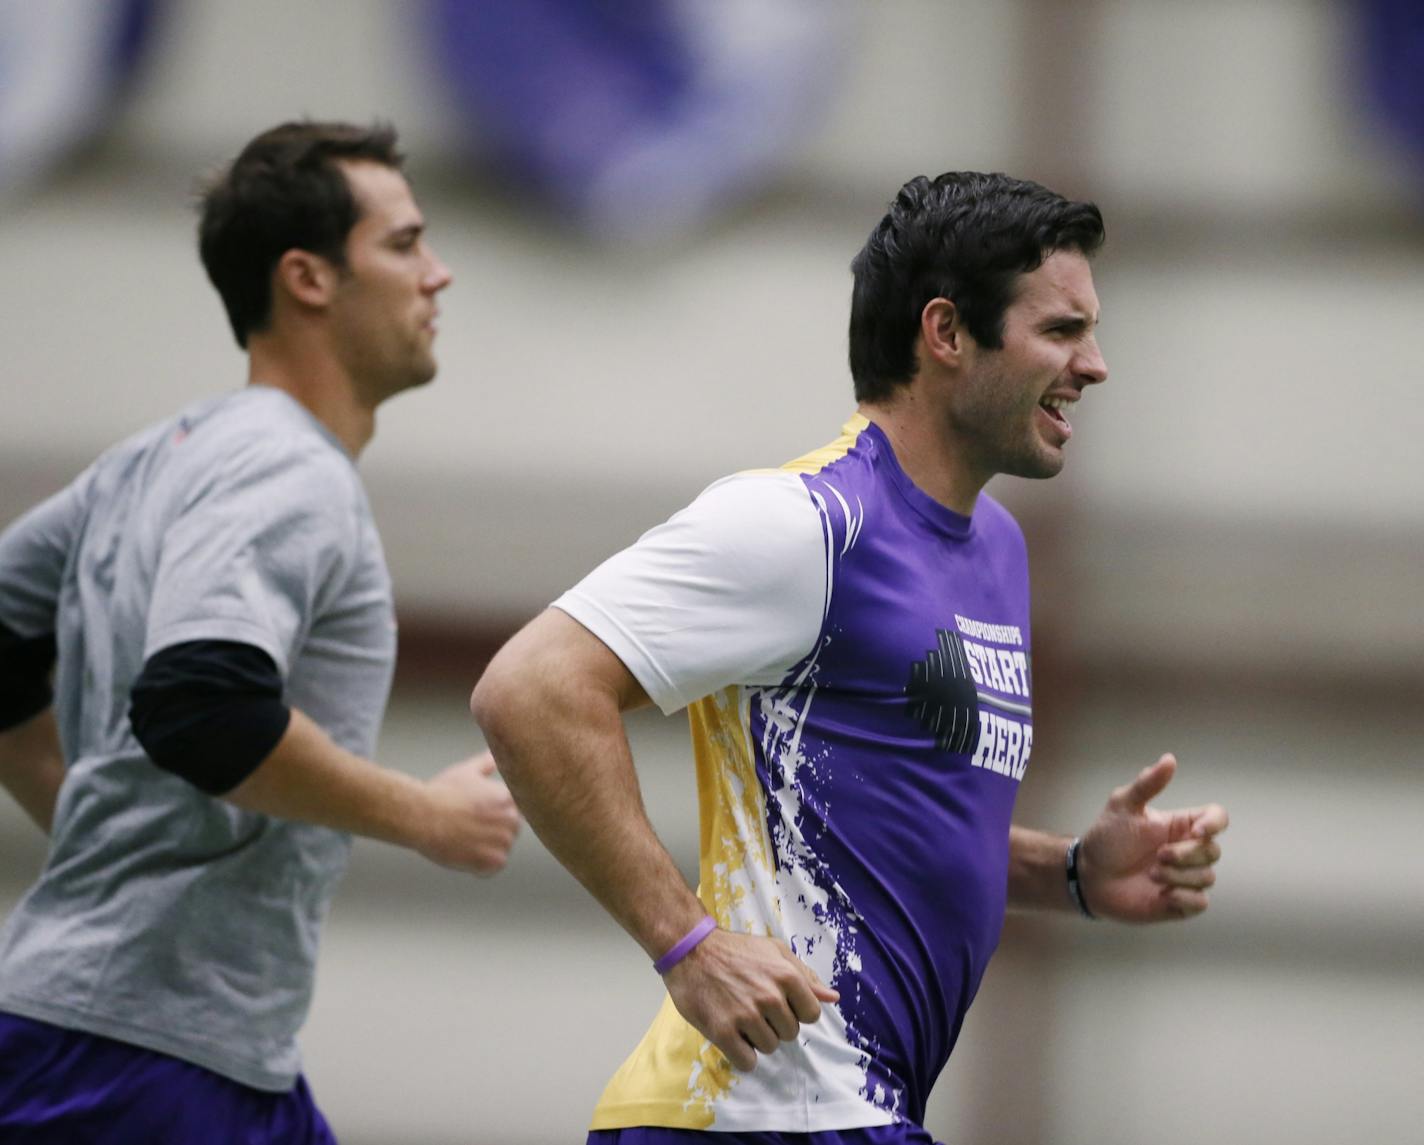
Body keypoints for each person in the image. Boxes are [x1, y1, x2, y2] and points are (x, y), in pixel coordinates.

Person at [471, 171, 1229, 1144]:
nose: (1094, 364)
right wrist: (687, 945)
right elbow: (530, 687)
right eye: (1060, 330)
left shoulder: (996, 545)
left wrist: (1069, 871)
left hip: (856, 1114)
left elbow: (881, 820)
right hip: (751, 1114)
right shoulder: (803, 522)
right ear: (946, 333)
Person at [0, 120, 520, 1144]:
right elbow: (203, 706)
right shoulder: (287, 469)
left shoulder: (156, 456)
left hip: (163, 1044)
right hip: (138, 1062)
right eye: (405, 244)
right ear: (308, 279)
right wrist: (424, 814)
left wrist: (78, 810)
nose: (438, 275)